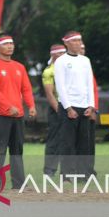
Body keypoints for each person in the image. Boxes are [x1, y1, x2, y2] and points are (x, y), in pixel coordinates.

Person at [0, 34, 36, 191]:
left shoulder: (20, 67)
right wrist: (8, 107)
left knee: (17, 151)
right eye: (6, 44)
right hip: (0, 116)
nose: (10, 46)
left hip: (18, 116)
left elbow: (26, 89)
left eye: (11, 43)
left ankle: (19, 184)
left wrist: (31, 106)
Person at [54, 31, 95, 178]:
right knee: (68, 142)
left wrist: (91, 105)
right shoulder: (61, 61)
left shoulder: (85, 60)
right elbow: (60, 86)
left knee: (84, 143)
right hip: (68, 107)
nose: (78, 43)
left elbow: (89, 84)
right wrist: (68, 108)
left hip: (85, 107)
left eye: (79, 40)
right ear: (66, 43)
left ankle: (84, 174)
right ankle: (67, 175)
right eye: (75, 41)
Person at [42, 44, 66, 176]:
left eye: (64, 52)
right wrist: (60, 110)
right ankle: (49, 170)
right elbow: (50, 94)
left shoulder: (68, 69)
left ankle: (67, 172)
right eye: (60, 53)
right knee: (54, 140)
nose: (63, 55)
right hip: (57, 108)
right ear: (54, 55)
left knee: (68, 141)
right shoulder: (49, 71)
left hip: (70, 108)